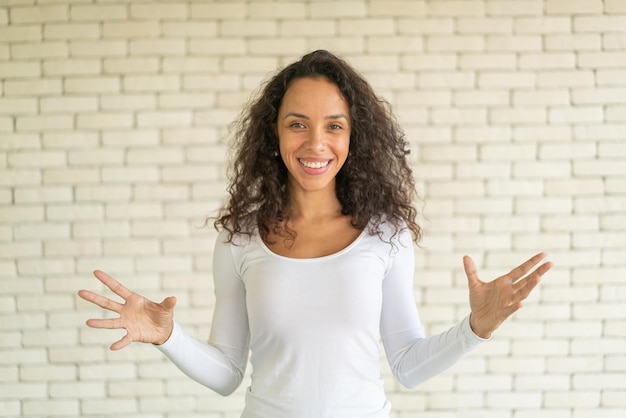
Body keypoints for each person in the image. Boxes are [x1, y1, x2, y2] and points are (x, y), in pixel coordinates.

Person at [78, 50, 552, 418]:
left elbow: (407, 364)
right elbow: (226, 374)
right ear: (275, 134)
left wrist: (476, 330)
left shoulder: (385, 235)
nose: (315, 143)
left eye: (334, 126)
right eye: (297, 124)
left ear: (353, 137)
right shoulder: (240, 238)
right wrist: (169, 336)